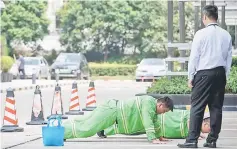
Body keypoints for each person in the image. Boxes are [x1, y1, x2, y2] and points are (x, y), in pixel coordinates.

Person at [178, 5, 232, 148]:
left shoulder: (200, 34)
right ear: (217, 17)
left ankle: (191, 140)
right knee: (216, 108)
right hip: (220, 73)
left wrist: (190, 76)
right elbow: (228, 59)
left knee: (197, 107)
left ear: (205, 17)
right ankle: (212, 140)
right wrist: (224, 76)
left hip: (204, 74)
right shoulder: (226, 35)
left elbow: (194, 57)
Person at [63, 95, 174, 144]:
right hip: (111, 111)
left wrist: (159, 137)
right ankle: (62, 133)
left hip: (111, 110)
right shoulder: (149, 103)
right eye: (164, 111)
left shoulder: (152, 108)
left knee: (85, 121)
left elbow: (155, 123)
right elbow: (147, 120)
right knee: (87, 129)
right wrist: (152, 139)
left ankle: (62, 128)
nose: (163, 114)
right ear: (160, 105)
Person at [99, 109, 210, 140]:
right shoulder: (194, 117)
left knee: (133, 130)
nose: (208, 132)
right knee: (132, 127)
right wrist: (195, 134)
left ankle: (105, 129)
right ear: (205, 124)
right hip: (158, 123)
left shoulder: (195, 120)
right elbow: (190, 122)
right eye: (209, 129)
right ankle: (104, 127)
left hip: (160, 129)